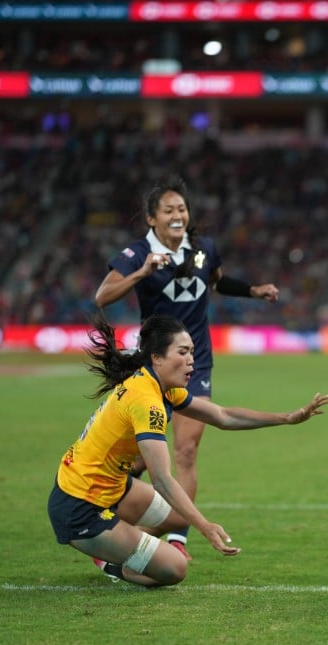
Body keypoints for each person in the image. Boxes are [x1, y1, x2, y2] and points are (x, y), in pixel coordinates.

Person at [47, 313, 328, 586]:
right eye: (182, 352)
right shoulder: (146, 400)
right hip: (80, 506)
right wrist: (206, 527)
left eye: (192, 352)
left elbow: (223, 416)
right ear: (157, 358)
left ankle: (118, 542)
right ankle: (108, 560)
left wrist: (287, 418)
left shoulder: (161, 387)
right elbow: (161, 479)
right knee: (175, 568)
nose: (191, 360)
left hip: (112, 489)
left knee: (181, 516)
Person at [94, 176, 280, 560]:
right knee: (140, 456)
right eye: (169, 210)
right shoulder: (136, 255)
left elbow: (217, 281)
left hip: (196, 362)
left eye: (182, 208)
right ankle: (111, 518)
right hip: (153, 366)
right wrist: (141, 274)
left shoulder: (203, 249)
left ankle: (178, 535)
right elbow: (103, 296)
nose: (178, 215)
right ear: (151, 219)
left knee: (187, 450)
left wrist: (253, 291)